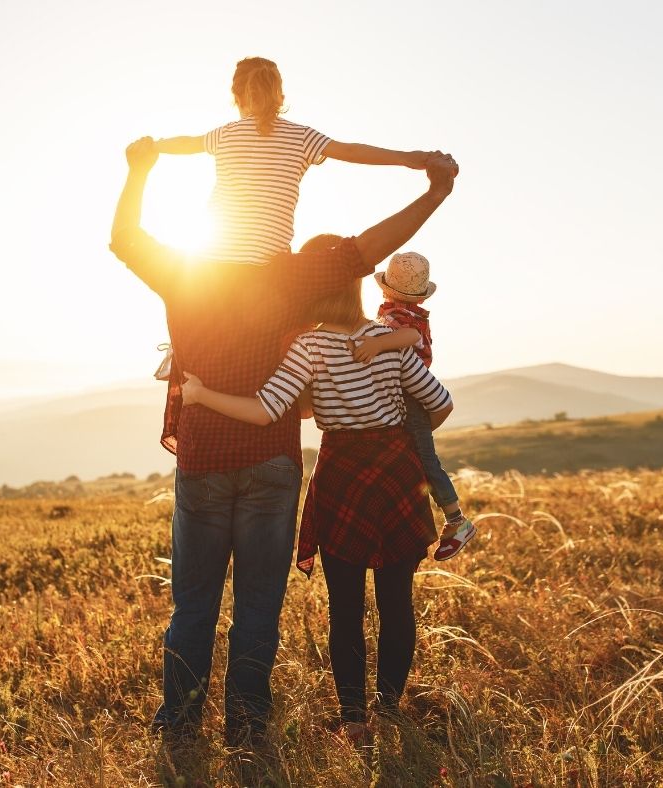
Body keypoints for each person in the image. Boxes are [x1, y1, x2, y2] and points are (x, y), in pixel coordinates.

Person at [109, 135, 458, 746]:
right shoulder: (296, 275)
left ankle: (181, 721)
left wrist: (139, 171)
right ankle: (248, 724)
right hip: (272, 462)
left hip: (204, 460)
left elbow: (125, 239)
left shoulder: (184, 270)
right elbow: (371, 248)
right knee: (258, 605)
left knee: (193, 603)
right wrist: (434, 190)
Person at [179, 263, 454, 741]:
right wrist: (399, 438)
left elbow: (265, 411)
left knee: (345, 607)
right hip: (396, 473)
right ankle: (388, 711)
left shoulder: (309, 345)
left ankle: (354, 721)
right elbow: (442, 402)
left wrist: (202, 394)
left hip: (342, 474)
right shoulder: (391, 336)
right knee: (397, 603)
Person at [155, 56, 432, 264]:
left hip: (214, 260)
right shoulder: (301, 136)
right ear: (280, 96)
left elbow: (186, 143)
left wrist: (153, 146)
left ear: (237, 97)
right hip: (269, 264)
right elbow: (350, 151)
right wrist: (406, 158)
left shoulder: (225, 134)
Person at [348, 251, 477, 560]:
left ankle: (457, 520)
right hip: (405, 395)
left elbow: (408, 337)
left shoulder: (402, 319)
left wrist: (377, 344)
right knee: (413, 457)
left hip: (410, 396)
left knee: (425, 459)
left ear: (385, 288)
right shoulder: (400, 312)